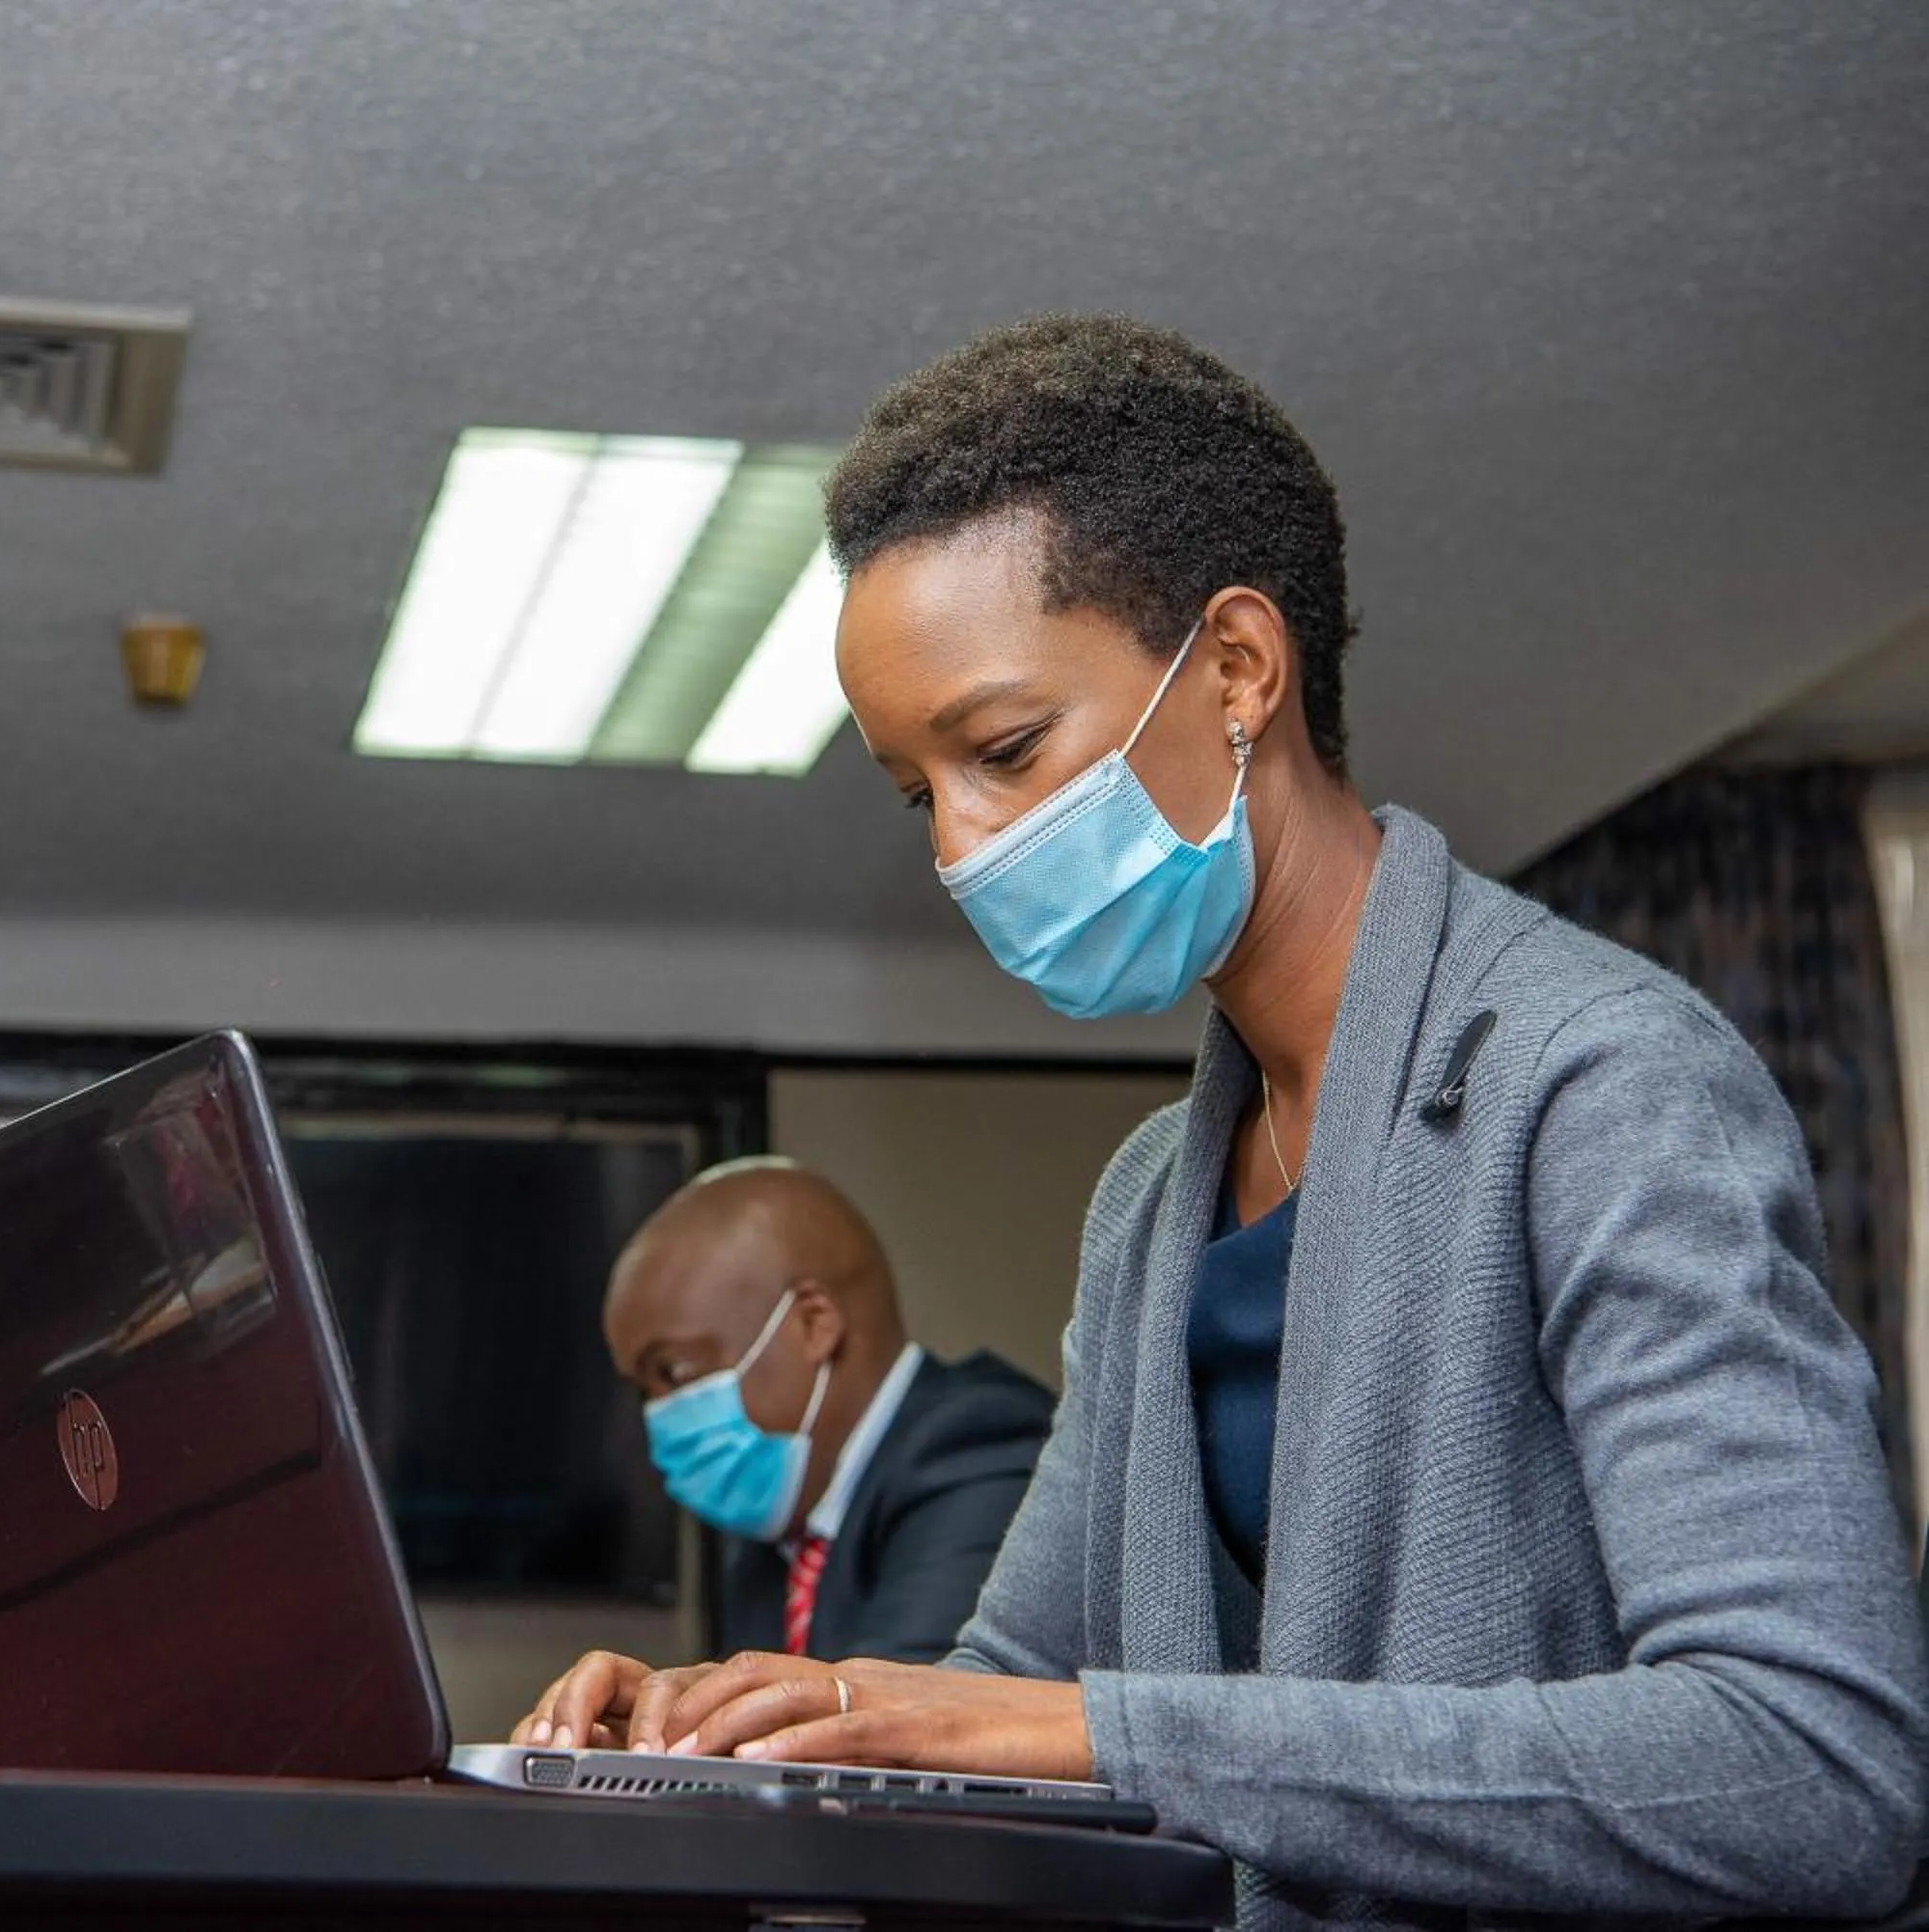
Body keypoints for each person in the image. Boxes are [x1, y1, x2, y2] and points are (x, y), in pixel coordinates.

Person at [520, 316, 1929, 1925]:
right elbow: (1017, 1676)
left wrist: (1103, 1732)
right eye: (924, 795)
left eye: (1002, 750)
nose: (963, 850)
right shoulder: (1150, 1201)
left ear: (1242, 668)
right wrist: (746, 1725)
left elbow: (1817, 1765)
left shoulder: (1603, 1085)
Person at [607, 1157, 1053, 1666]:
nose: (658, 1416)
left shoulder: (977, 1447)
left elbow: (895, 1718)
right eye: (644, 1390)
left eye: (676, 1373)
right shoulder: (778, 1537)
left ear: (813, 1324)